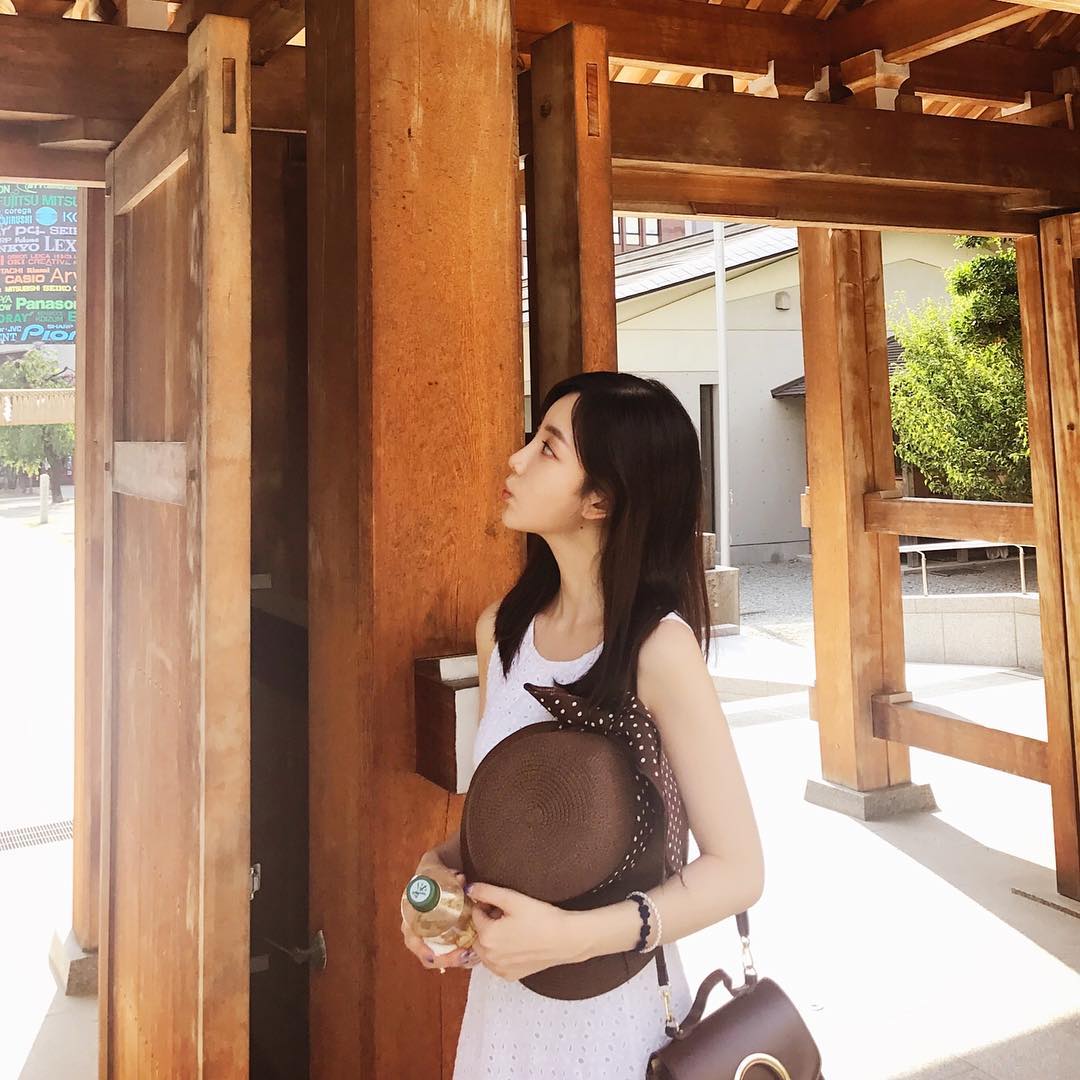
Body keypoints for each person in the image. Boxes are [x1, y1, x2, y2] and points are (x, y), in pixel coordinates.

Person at [400, 371, 765, 1079]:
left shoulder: (658, 649)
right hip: (501, 1020)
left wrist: (571, 939)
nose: (515, 460)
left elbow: (739, 870)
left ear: (600, 499)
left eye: (547, 447)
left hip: (615, 1021)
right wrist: (432, 877)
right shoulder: (501, 633)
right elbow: (509, 825)